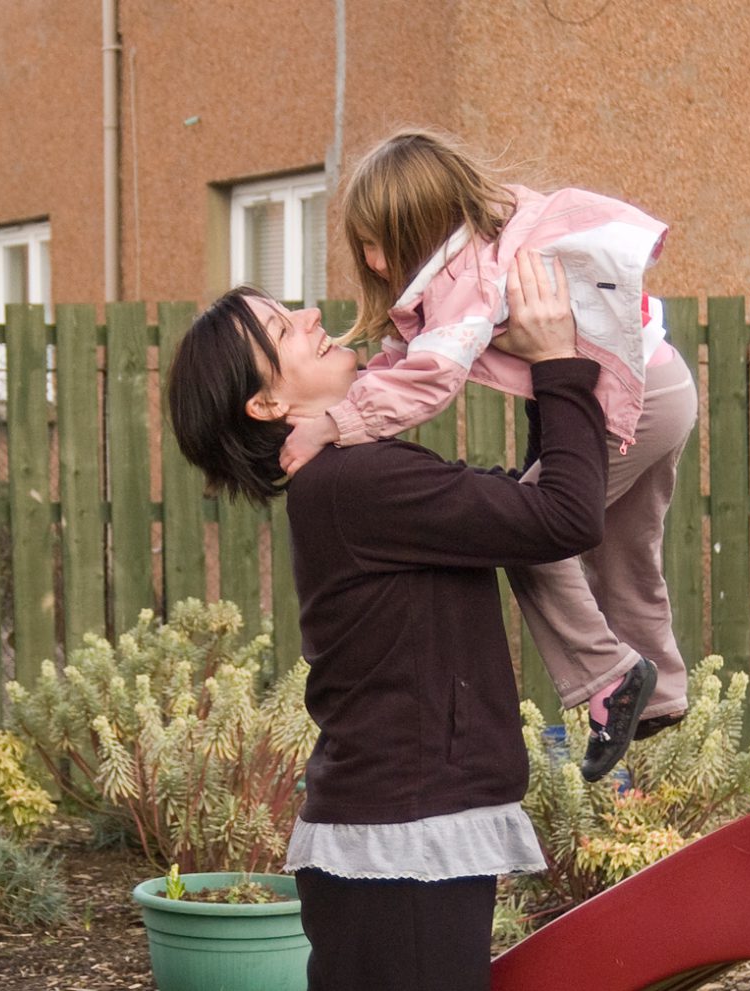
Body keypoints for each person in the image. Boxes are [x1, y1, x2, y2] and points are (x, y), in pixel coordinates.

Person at [166, 249, 605, 991]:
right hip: (404, 841)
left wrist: (541, 374)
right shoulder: (357, 482)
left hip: (404, 836)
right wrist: (557, 361)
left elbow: (528, 512)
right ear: (267, 405)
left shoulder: (353, 477)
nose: (311, 316)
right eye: (282, 328)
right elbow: (564, 514)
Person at [280, 128, 697, 781]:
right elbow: (406, 362)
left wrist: (334, 422)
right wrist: (357, 402)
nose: (364, 256)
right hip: (657, 383)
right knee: (625, 549)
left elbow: (432, 373)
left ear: (392, 243)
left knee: (537, 538)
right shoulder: (489, 242)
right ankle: (661, 693)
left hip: (632, 401)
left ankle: (608, 677)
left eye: (368, 242)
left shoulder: (465, 279)